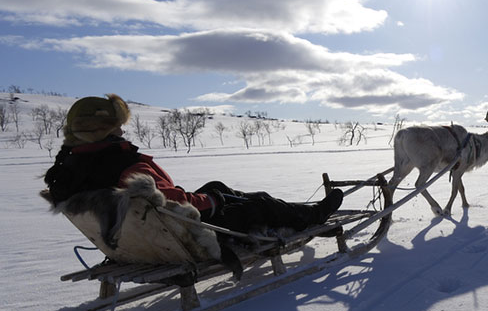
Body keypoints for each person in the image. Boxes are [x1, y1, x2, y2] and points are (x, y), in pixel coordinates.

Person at [43, 94, 343, 235]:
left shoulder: (71, 168)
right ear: (103, 130)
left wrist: (213, 194)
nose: (122, 131)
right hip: (185, 231)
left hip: (142, 231)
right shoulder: (125, 167)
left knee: (218, 186)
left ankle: (292, 216)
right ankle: (313, 216)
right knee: (259, 201)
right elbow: (175, 202)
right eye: (116, 127)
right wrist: (211, 201)